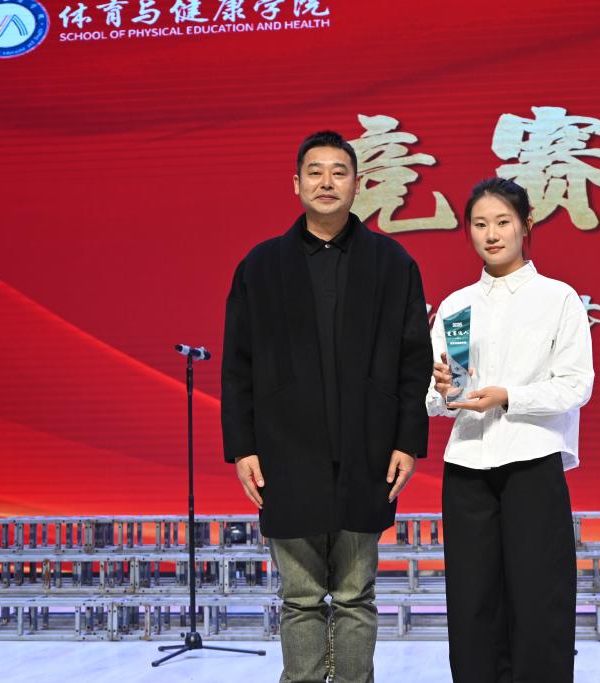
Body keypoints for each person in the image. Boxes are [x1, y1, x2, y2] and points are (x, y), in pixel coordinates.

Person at [221, 130, 433, 683]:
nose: (326, 182)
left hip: (368, 453)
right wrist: (242, 448)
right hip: (285, 455)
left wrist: (408, 441)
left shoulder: (392, 263)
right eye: (315, 172)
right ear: (295, 184)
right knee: (300, 598)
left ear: (357, 184)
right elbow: (237, 365)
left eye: (339, 172)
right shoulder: (261, 266)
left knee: (356, 595)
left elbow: (414, 360)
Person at [427, 177, 594, 683]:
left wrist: (508, 396)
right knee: (472, 602)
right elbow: (437, 399)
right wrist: (444, 390)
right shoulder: (456, 306)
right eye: (480, 224)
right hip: (467, 468)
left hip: (532, 463)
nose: (492, 234)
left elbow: (575, 385)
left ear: (526, 225)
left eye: (502, 222)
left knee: (540, 598)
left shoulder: (558, 298)